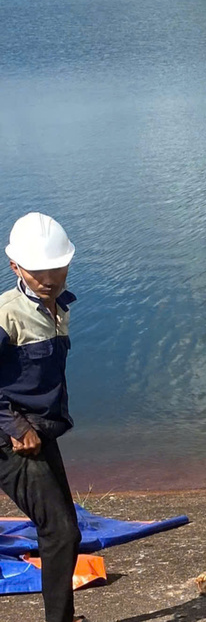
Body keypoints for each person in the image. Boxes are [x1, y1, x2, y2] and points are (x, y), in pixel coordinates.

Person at [1, 213, 86, 622]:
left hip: (41, 431)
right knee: (61, 532)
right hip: (12, 437)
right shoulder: (6, 315)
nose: (49, 279)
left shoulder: (58, 307)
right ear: (15, 267)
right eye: (37, 272)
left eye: (57, 268)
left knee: (65, 532)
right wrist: (15, 425)